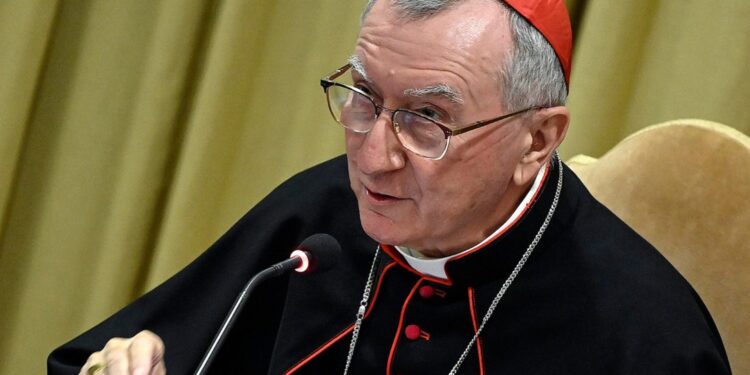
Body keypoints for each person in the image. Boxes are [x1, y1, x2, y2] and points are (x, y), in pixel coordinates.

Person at [49, 0, 732, 374]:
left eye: (427, 118)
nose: (374, 157)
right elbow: (109, 355)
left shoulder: (646, 337)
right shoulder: (321, 223)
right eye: (364, 97)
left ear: (536, 139)